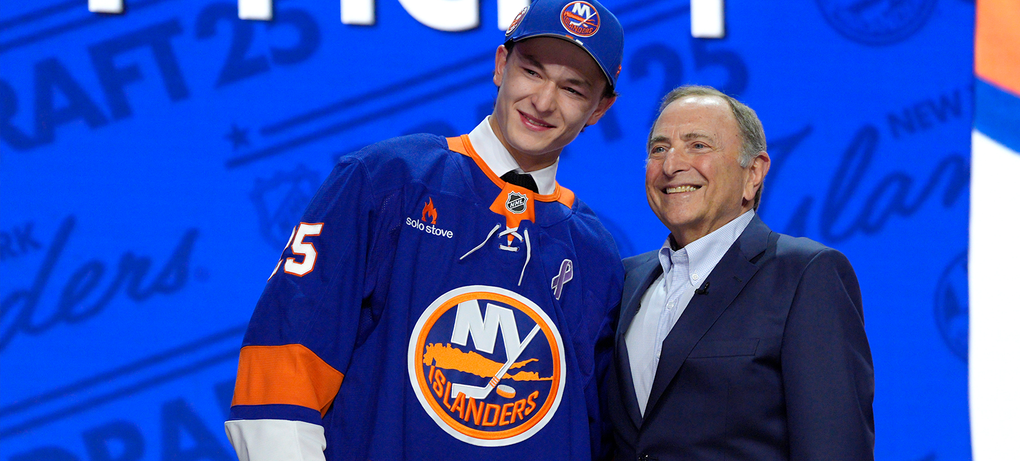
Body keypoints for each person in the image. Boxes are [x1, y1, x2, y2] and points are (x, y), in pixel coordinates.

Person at [224, 1, 625, 459]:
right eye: (532, 71)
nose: (544, 101)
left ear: (599, 109)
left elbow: (596, 434)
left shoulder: (596, 254)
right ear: (500, 65)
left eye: (573, 88)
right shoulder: (387, 179)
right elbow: (282, 362)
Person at [604, 85, 875, 460]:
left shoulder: (804, 275)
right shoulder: (623, 280)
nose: (671, 165)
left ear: (754, 173)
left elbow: (833, 448)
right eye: (659, 149)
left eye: (698, 145)